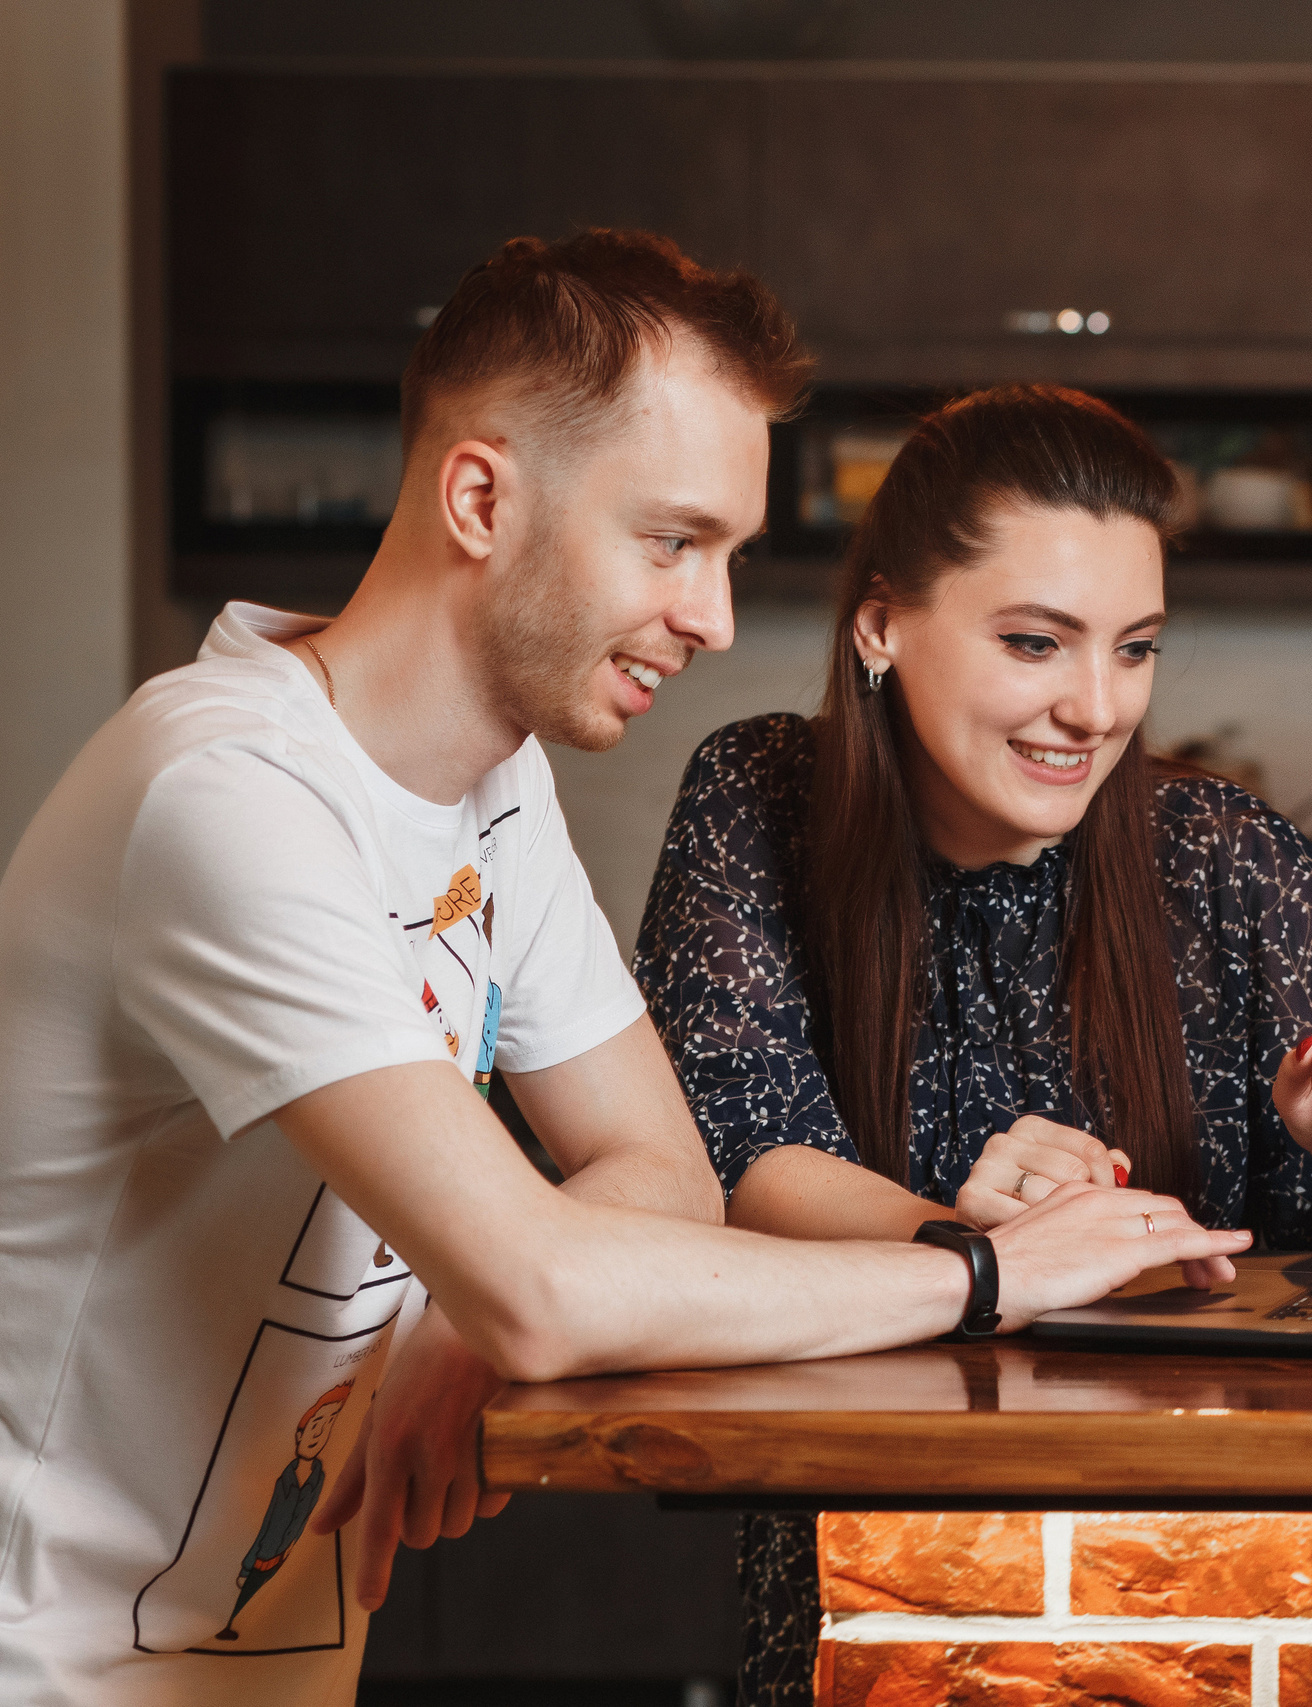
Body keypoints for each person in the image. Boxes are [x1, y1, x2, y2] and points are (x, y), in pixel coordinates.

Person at [0, 233, 1247, 1707]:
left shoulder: (491, 796)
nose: (715, 618)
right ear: (480, 496)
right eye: (671, 541)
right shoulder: (224, 791)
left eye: (725, 554)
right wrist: (979, 1271)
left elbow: (657, 1165)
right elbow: (549, 1285)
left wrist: (501, 1283)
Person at [635, 382, 1312, 1700]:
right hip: (877, 1575)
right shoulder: (760, 794)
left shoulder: (1227, 856)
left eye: (1135, 647)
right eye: (1035, 642)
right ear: (882, 621)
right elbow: (740, 1164)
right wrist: (984, 1245)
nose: (1095, 707)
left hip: (1219, 1591)